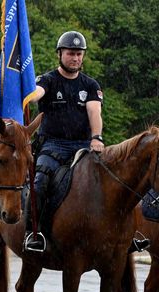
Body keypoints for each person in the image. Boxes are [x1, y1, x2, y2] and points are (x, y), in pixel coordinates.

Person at [22, 31, 149, 253]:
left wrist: (96, 137)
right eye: (71, 53)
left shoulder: (90, 85)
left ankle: (124, 235)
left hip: (83, 146)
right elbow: (36, 94)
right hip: (52, 146)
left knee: (115, 183)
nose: (76, 58)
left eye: (79, 54)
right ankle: (34, 233)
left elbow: (94, 112)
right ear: (60, 54)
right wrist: (26, 95)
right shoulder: (48, 80)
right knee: (39, 182)